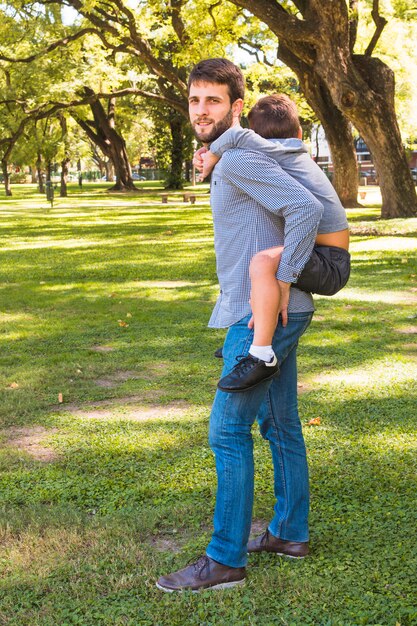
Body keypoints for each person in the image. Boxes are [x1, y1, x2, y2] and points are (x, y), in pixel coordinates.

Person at [156, 58, 324, 593]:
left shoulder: (238, 160)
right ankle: (289, 533)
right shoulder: (238, 152)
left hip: (264, 311)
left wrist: (279, 284)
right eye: (194, 100)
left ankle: (225, 558)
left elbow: (302, 209)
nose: (201, 110)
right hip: (282, 306)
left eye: (213, 100)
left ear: (235, 105)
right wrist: (213, 157)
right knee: (280, 425)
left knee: (227, 430)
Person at [194, 94, 350, 392]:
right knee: (265, 259)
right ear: (300, 131)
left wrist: (213, 150)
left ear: (256, 136)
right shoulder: (289, 152)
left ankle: (260, 353)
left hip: (331, 262)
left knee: (264, 262)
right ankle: (239, 344)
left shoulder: (278, 150)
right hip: (326, 255)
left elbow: (237, 136)